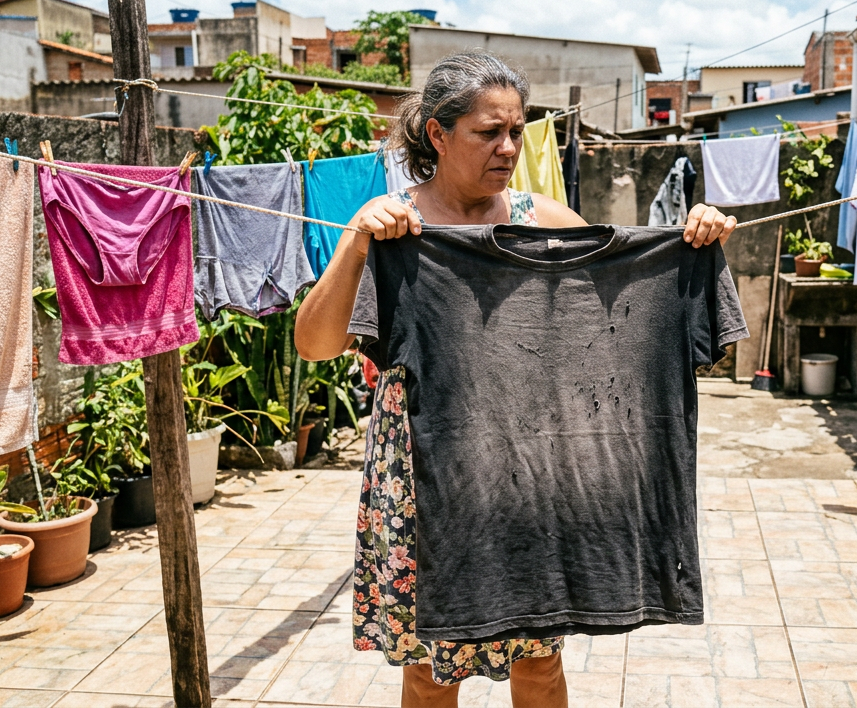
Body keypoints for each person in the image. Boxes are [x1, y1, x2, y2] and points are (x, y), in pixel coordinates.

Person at [295, 51, 736, 708]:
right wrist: (358, 241)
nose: (507, 148)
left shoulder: (543, 219)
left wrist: (691, 241)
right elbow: (314, 344)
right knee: (430, 670)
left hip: (532, 475)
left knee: (539, 663)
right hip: (422, 477)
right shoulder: (393, 229)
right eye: (487, 132)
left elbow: (624, 299)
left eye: (517, 130)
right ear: (438, 134)